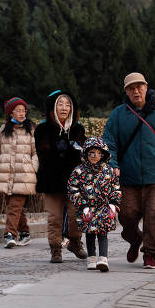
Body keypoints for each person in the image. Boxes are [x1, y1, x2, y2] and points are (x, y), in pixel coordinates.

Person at [102, 72, 155, 270]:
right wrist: (113, 165)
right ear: (126, 92)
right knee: (126, 216)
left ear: (146, 88)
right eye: (131, 88)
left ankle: (150, 253)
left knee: (154, 215)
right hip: (127, 177)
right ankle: (135, 239)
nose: (136, 91)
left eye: (139, 86)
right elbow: (108, 143)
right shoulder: (119, 114)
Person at [34, 90, 88, 263]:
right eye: (60, 104)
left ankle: (75, 242)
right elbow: (43, 152)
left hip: (74, 182)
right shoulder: (42, 129)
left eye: (68, 104)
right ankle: (55, 248)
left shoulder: (78, 129)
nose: (64, 108)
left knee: (75, 215)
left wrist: (71, 149)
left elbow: (81, 152)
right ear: (53, 107)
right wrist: (59, 148)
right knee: (54, 217)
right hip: (51, 179)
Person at [67, 137, 122, 272]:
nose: (94, 156)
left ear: (102, 154)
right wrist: (82, 205)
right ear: (85, 153)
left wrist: (113, 203)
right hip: (87, 208)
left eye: (97, 153)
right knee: (90, 233)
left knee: (103, 233)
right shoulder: (79, 171)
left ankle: (103, 258)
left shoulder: (108, 171)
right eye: (91, 153)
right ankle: (91, 257)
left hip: (104, 207)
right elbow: (72, 188)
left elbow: (116, 187)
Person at [0, 96, 38, 248]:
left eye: (24, 110)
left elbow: (35, 152)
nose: (22, 113)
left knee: (15, 205)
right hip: (5, 174)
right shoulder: (3, 130)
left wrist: (33, 168)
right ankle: (24, 233)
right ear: (11, 112)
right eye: (18, 110)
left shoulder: (30, 129)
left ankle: (9, 234)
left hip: (24, 174)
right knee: (15, 207)